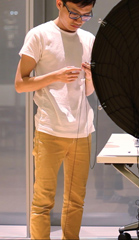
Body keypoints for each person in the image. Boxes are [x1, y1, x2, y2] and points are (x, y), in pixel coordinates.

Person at [15, 0, 96, 239]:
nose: (79, 19)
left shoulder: (88, 39)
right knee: (43, 201)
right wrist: (55, 76)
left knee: (75, 201)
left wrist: (91, 78)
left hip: (82, 131)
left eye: (86, 15)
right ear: (59, 3)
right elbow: (20, 85)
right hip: (50, 129)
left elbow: (87, 92)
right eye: (74, 13)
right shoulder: (40, 35)